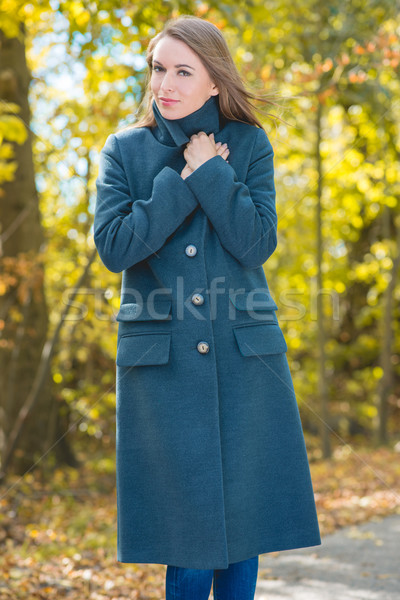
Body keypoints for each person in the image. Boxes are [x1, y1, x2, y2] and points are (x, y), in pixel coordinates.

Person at [94, 14, 321, 600]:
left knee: (242, 534)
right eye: (158, 69)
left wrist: (216, 171)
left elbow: (254, 243)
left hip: (246, 362)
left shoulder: (248, 145)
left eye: (182, 71)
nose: (164, 83)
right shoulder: (124, 150)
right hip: (163, 368)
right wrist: (182, 179)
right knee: (187, 544)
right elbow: (115, 249)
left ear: (214, 81)